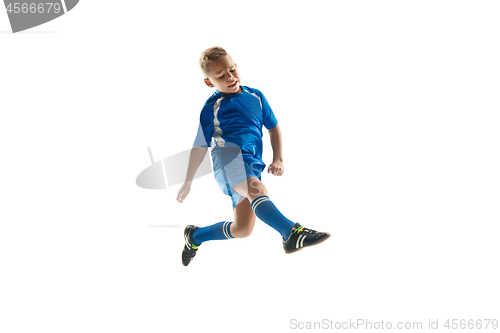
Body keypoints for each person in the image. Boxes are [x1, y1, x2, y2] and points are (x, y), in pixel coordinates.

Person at [177, 46, 330, 266]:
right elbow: (199, 147)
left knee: (242, 229)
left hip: (251, 164)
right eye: (221, 75)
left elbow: (273, 127)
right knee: (257, 190)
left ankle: (194, 236)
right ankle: (291, 233)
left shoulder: (256, 96)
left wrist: (278, 159)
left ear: (236, 66)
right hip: (227, 160)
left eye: (231, 70)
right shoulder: (211, 107)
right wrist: (188, 181)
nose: (230, 77)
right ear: (209, 82)